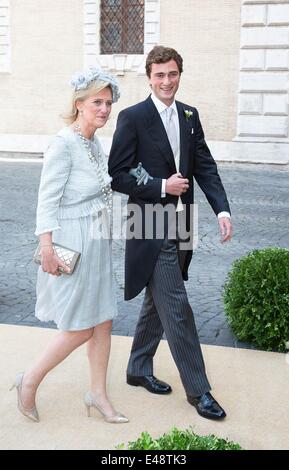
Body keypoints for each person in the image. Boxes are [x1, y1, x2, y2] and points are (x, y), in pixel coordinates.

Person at [108, 46, 233, 421]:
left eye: (173, 74)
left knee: (159, 298)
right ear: (149, 77)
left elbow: (204, 165)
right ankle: (199, 391)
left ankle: (138, 366)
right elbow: (120, 172)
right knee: (177, 306)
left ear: (180, 75)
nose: (166, 81)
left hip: (182, 223)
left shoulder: (190, 115)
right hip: (148, 224)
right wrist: (162, 185)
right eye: (160, 75)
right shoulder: (133, 117)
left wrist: (222, 208)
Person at [10, 67, 129, 424]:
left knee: (103, 320)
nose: (105, 109)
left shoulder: (94, 143)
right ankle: (28, 381)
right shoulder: (62, 143)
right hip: (71, 243)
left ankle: (98, 394)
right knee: (79, 326)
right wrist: (46, 247)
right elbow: (46, 200)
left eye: (108, 102)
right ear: (79, 104)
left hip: (97, 241)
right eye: (97, 102)